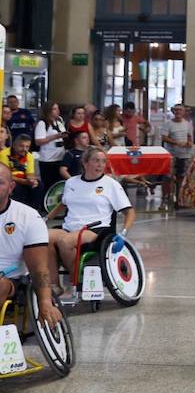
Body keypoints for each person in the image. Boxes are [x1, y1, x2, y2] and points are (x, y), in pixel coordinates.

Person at [45, 147, 136, 301]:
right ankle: (55, 286)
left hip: (96, 229)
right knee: (42, 238)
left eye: (103, 161)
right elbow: (63, 203)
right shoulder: (71, 182)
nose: (100, 165)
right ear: (85, 163)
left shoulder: (110, 184)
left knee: (65, 242)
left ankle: (77, 283)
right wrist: (46, 219)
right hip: (69, 227)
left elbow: (130, 211)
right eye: (96, 160)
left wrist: (124, 232)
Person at [0, 166, 62, 329]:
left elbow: (39, 268)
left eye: (0, 183)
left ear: (11, 187)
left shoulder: (28, 217)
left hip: (11, 279)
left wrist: (45, 302)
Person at [162, 104, 195, 209]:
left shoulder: (188, 124)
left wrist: (189, 142)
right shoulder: (168, 124)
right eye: (176, 110)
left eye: (180, 110)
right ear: (173, 112)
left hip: (184, 154)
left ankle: (179, 199)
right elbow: (164, 137)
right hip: (171, 155)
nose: (178, 112)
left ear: (184, 112)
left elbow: (190, 137)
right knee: (168, 177)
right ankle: (166, 198)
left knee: (181, 177)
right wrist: (176, 142)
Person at [0, 135, 40, 209]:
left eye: (27, 147)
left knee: (38, 185)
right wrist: (24, 181)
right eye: (21, 146)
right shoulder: (4, 154)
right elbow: (5, 175)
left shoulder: (29, 156)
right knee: (17, 188)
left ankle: (34, 209)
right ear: (14, 145)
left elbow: (30, 174)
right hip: (9, 180)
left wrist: (32, 181)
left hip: (24, 180)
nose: (24, 149)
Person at [33, 102, 67, 190]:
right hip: (48, 159)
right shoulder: (42, 123)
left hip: (60, 157)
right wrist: (55, 136)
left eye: (58, 109)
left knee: (58, 184)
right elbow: (38, 141)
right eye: (54, 109)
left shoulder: (59, 121)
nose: (57, 111)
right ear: (48, 111)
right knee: (49, 184)